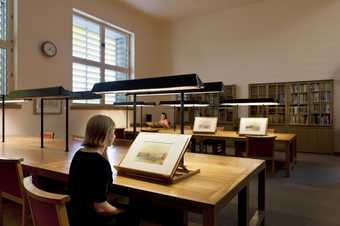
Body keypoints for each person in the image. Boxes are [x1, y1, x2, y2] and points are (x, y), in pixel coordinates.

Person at [67, 114, 129, 226]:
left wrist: (104, 148)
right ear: (106, 134)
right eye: (113, 132)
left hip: (74, 214)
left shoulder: (79, 154)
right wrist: (121, 211)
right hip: (89, 219)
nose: (115, 136)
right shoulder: (100, 164)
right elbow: (101, 208)